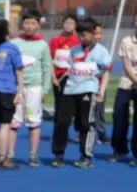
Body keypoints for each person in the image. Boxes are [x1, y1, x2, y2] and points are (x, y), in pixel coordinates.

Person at [50, 18, 110, 168]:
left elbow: (106, 72)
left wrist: (101, 91)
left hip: (88, 90)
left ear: (93, 34)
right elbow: (71, 68)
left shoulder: (101, 51)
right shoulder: (74, 50)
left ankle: (86, 155)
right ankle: (58, 154)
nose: (83, 38)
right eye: (80, 35)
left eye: (86, 35)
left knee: (86, 123)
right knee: (62, 121)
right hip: (70, 90)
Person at [10, 10, 52, 166]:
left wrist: (45, 90)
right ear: (22, 24)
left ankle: (33, 154)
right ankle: (10, 153)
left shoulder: (43, 45)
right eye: (26, 23)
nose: (29, 26)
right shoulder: (14, 43)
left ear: (38, 25)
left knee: (33, 122)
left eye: (33, 23)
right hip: (16, 89)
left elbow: (47, 68)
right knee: (13, 122)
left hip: (35, 89)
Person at [0, 20, 24, 171]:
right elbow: (19, 70)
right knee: (6, 126)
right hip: (8, 90)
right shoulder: (13, 48)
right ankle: (2, 158)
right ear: (7, 34)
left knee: (0, 124)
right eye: (11, 27)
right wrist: (20, 91)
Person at [109, 11, 137, 164]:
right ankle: (119, 149)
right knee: (119, 116)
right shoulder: (127, 41)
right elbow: (126, 66)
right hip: (126, 84)